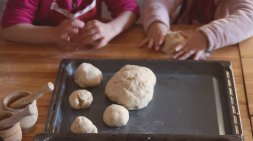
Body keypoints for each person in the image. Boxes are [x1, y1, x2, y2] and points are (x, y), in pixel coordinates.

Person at [140, 0, 253, 60]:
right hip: (178, 39)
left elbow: (249, 17)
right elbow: (158, 2)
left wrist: (206, 37)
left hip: (221, 46)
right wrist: (157, 22)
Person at [1, 0, 139, 49]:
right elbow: (10, 29)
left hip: (88, 52)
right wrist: (53, 33)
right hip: (39, 53)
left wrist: (111, 28)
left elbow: (130, 10)